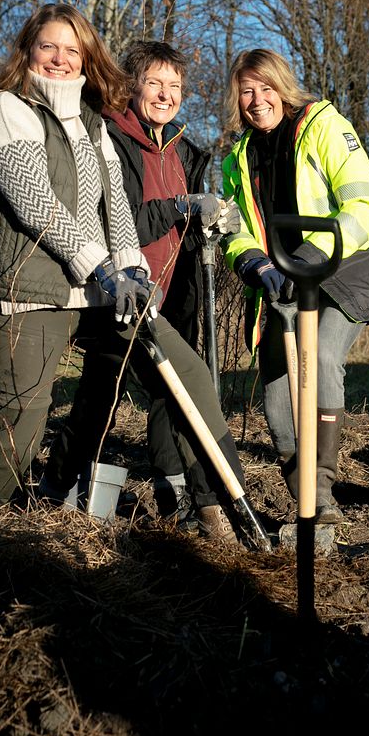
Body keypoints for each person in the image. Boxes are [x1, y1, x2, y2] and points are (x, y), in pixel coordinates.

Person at [0, 5, 246, 543]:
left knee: (187, 374)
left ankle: (226, 511)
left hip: (103, 293)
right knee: (22, 427)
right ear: (28, 50)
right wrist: (102, 268)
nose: (60, 58)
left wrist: (133, 271)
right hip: (35, 289)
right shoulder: (6, 109)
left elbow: (116, 209)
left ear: (86, 58)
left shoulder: (91, 123)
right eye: (49, 47)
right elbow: (39, 205)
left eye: (72, 50)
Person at [72, 38, 241, 530]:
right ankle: (78, 502)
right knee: (102, 394)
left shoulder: (186, 150)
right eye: (155, 84)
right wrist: (182, 206)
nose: (167, 95)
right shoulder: (112, 140)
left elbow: (185, 227)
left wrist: (212, 223)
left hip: (176, 290)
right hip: (120, 291)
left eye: (176, 86)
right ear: (133, 87)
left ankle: (177, 496)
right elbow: (119, 221)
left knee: (173, 393)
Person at [221, 49, 369, 524]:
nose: (258, 100)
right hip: (279, 281)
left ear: (283, 86)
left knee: (319, 357)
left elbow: (364, 204)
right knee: (278, 400)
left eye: (266, 87)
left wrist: (307, 259)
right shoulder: (239, 156)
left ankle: (322, 495)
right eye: (247, 92)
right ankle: (302, 494)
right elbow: (235, 228)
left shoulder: (323, 124)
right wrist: (256, 264)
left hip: (341, 271)